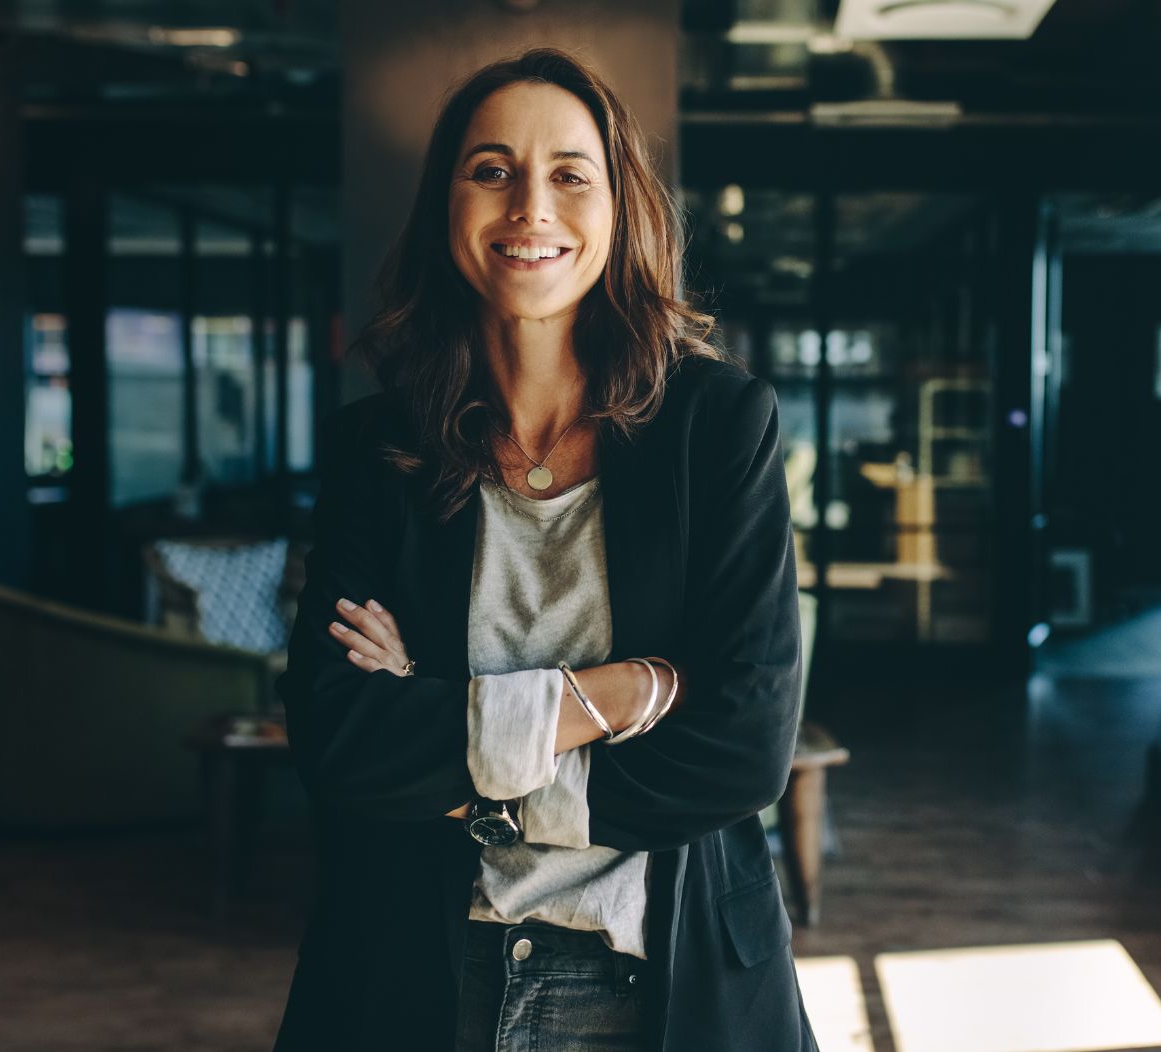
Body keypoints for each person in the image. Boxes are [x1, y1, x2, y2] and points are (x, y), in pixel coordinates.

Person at [272, 46, 819, 1052]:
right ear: (449, 204)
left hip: (655, 976)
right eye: (492, 169)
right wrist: (609, 694)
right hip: (421, 974)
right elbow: (340, 736)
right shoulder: (375, 449)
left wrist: (458, 753)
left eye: (569, 173)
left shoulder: (718, 424)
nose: (531, 205)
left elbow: (743, 744)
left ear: (621, 209)